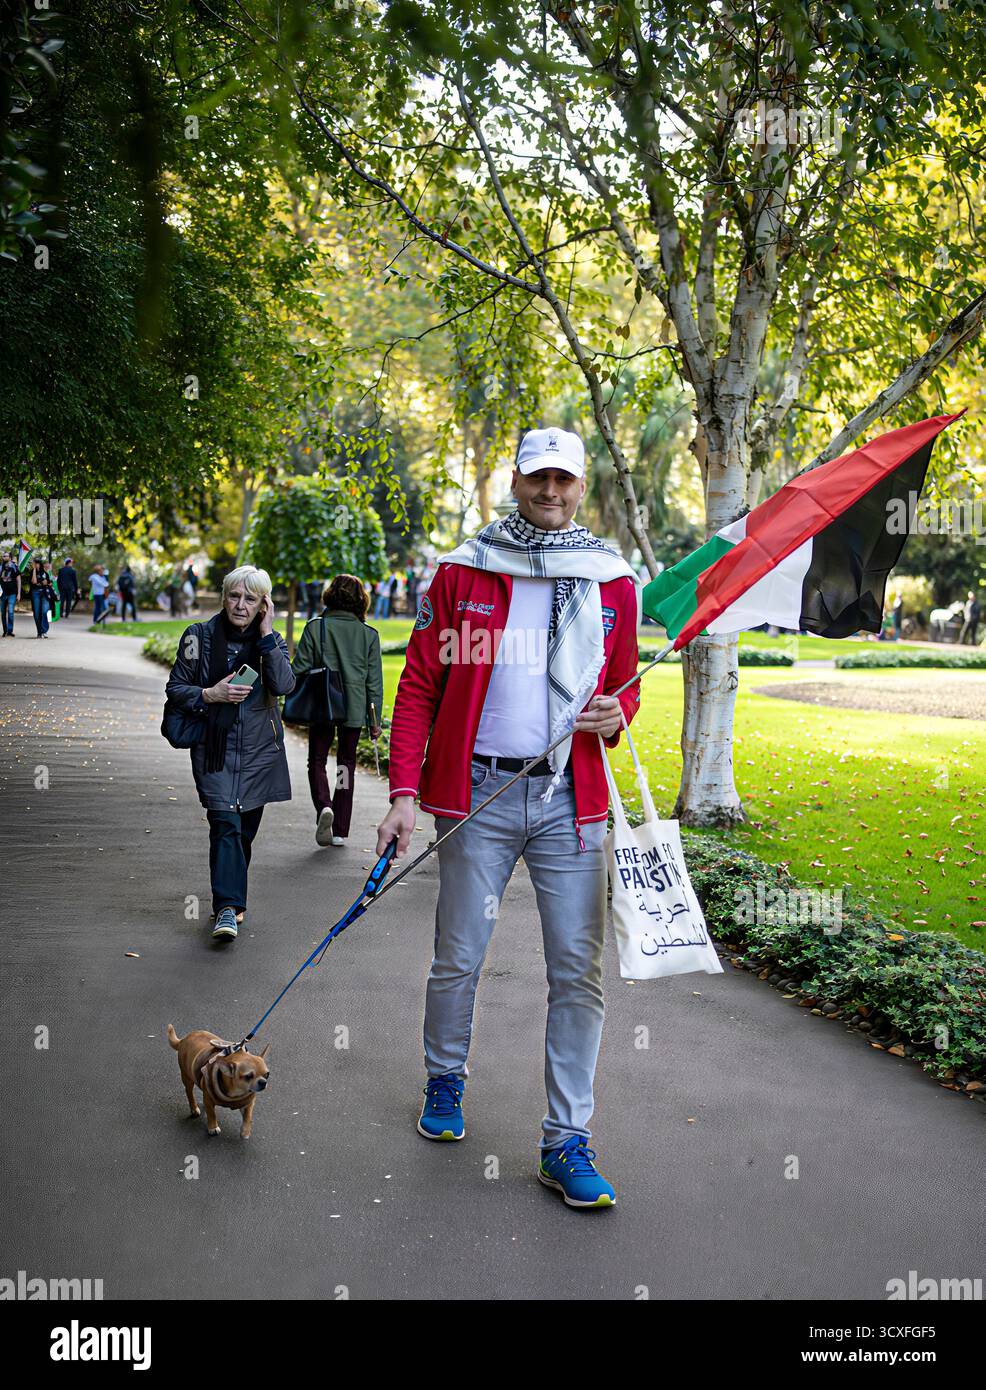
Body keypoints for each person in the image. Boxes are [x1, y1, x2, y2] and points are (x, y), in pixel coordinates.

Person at [376, 425, 641, 1210]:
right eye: (537, 479)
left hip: (570, 801)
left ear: (580, 486)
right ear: (516, 482)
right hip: (479, 797)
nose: (550, 492)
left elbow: (624, 685)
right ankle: (445, 1082)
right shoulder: (466, 571)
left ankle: (566, 1143)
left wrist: (615, 715)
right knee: (459, 955)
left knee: (578, 974)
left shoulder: (610, 579)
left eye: (563, 480)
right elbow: (420, 684)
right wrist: (399, 794)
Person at [164, 565, 295, 941]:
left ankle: (232, 902)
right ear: (224, 596)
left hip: (258, 755)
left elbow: (284, 684)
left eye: (250, 599)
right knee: (225, 825)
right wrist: (210, 694)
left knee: (243, 835)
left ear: (263, 605)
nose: (240, 605)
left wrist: (268, 636)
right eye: (234, 596)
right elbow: (176, 688)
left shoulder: (273, 641)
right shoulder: (198, 637)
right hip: (214, 750)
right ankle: (226, 907)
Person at [291, 574, 384, 847]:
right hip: (354, 709)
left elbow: (298, 669)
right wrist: (374, 720)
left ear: (330, 595)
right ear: (361, 599)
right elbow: (374, 683)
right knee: (346, 764)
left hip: (323, 704)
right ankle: (341, 829)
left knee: (317, 761)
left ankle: (324, 806)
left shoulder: (316, 627)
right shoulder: (369, 635)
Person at [29, 556, 55, 637]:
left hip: (44, 593)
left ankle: (44, 631)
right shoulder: (32, 572)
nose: (36, 565)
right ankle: (39, 632)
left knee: (44, 611)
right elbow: (34, 581)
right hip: (35, 593)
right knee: (36, 613)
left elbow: (49, 583)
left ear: (40, 564)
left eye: (37, 563)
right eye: (35, 563)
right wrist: (33, 570)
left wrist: (47, 582)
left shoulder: (45, 573)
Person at [1, 549, 21, 636]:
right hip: (3, 593)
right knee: (2, 612)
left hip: (12, 592)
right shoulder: (1, 567)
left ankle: (10, 631)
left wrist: (19, 593)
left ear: (9, 558)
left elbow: (19, 580)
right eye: (3, 556)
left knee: (11, 612)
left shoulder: (14, 566)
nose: (4, 557)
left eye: (5, 556)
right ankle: (5, 631)